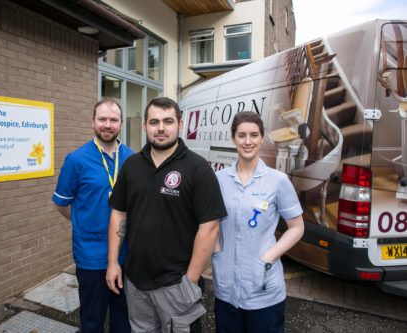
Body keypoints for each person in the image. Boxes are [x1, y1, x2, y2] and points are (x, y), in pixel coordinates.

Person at [106, 97, 227, 333]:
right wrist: (113, 263)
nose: (161, 127)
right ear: (145, 126)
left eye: (168, 121)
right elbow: (119, 214)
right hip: (136, 283)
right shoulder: (131, 165)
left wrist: (190, 282)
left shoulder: (198, 169)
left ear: (180, 125)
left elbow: (210, 228)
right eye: (154, 122)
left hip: (176, 285)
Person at [212, 111, 305, 333]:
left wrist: (268, 257)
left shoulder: (278, 181)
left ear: (262, 138)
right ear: (233, 138)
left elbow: (297, 227)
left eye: (254, 135)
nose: (248, 141)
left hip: (265, 293)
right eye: (242, 135)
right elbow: (211, 224)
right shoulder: (219, 180)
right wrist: (217, 252)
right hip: (226, 290)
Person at [52, 99, 133, 333]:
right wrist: (85, 222)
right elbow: (62, 205)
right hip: (91, 257)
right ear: (93, 122)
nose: (107, 125)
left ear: (121, 123)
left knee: (124, 318)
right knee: (92, 320)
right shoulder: (76, 160)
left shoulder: (132, 159)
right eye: (102, 119)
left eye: (113, 120)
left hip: (126, 255)